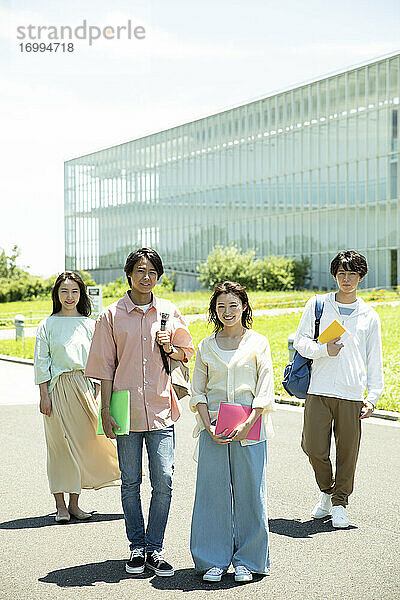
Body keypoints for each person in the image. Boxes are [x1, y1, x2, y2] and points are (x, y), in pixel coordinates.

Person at [85, 248, 194, 577]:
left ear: (158, 276)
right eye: (140, 271)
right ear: (129, 274)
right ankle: (136, 546)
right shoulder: (111, 315)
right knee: (130, 482)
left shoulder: (169, 311)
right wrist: (105, 411)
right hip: (125, 410)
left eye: (153, 272)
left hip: (161, 408)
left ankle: (155, 547)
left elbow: (186, 352)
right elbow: (103, 367)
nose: (147, 278)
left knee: (164, 480)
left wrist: (169, 346)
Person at [190, 281, 275, 583]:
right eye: (221, 306)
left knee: (251, 493)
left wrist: (249, 422)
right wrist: (207, 425)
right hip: (213, 427)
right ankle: (212, 558)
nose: (227, 311)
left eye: (233, 305)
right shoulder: (205, 346)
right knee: (212, 494)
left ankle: (248, 560)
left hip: (250, 426)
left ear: (244, 307)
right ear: (214, 309)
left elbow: (265, 389)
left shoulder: (258, 343)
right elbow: (197, 391)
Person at [293, 250, 384, 528]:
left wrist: (373, 397)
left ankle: (340, 503)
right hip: (318, 389)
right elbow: (300, 342)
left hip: (352, 393)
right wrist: (324, 350)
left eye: (352, 274)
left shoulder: (369, 315)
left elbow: (374, 359)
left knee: (347, 452)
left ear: (361, 277)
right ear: (334, 275)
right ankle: (327, 491)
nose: (346, 279)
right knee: (312, 447)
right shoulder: (318, 305)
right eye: (341, 274)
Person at [34, 271, 120, 523]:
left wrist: (95, 389)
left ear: (81, 294)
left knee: (82, 445)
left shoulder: (90, 323)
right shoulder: (47, 325)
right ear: (56, 295)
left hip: (84, 387)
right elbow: (41, 363)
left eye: (74, 291)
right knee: (59, 447)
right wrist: (44, 395)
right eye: (64, 291)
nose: (69, 296)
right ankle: (59, 504)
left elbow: (99, 360)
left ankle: (75, 503)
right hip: (57, 388)